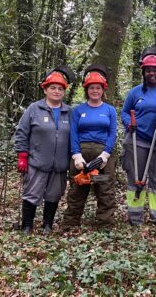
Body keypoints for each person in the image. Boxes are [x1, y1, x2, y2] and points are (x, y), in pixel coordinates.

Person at [14, 66, 74, 235]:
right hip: (37, 162)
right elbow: (21, 132)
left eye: (60, 89)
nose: (56, 91)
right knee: (31, 194)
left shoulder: (69, 112)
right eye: (53, 88)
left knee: (54, 195)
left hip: (60, 164)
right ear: (45, 89)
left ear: (64, 91)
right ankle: (27, 226)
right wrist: (22, 155)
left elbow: (75, 137)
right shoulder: (34, 109)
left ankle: (47, 225)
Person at [62, 65, 117, 230]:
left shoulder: (110, 110)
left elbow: (112, 133)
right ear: (87, 90)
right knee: (78, 186)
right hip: (82, 153)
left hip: (103, 153)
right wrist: (76, 156)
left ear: (103, 90)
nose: (95, 91)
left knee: (104, 186)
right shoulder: (78, 110)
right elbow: (73, 133)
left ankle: (104, 223)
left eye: (98, 88)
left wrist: (105, 155)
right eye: (92, 88)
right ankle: (71, 223)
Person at [121, 47, 156, 225]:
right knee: (136, 179)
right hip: (137, 140)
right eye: (148, 70)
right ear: (144, 72)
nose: (152, 73)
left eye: (155, 70)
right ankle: (135, 217)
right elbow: (125, 112)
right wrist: (129, 123)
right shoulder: (135, 92)